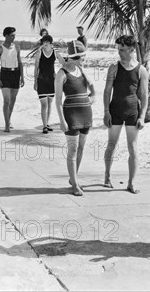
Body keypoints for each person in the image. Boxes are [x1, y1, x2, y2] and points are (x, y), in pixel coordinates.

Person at [103, 35, 149, 193]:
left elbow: (144, 95)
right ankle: (107, 176)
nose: (119, 53)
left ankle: (131, 183)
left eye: (122, 50)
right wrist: (106, 112)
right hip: (115, 109)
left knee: (133, 148)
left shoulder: (141, 70)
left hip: (132, 112)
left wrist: (142, 116)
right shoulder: (113, 68)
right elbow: (107, 91)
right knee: (111, 145)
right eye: (118, 49)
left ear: (131, 49)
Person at [55, 40, 95, 196]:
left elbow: (92, 86)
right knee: (72, 150)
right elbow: (58, 100)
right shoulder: (61, 73)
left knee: (81, 148)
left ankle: (74, 179)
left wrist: (93, 97)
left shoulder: (81, 69)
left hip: (86, 112)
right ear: (73, 57)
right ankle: (75, 185)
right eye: (81, 57)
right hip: (71, 115)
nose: (83, 60)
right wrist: (61, 120)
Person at [0, 27, 25, 132]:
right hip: (5, 74)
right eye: (12, 35)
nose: (14, 37)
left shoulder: (17, 47)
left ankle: (9, 119)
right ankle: (7, 125)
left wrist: (22, 77)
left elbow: (20, 62)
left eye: (14, 35)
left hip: (15, 74)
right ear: (6, 35)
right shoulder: (0, 48)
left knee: (13, 101)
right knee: (6, 101)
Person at [34, 34, 66, 133]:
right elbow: (36, 67)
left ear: (51, 44)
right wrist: (35, 82)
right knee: (44, 105)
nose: (46, 44)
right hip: (42, 80)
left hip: (52, 82)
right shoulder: (39, 53)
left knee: (50, 104)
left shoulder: (55, 53)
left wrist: (59, 74)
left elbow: (64, 63)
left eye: (48, 42)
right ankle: (44, 126)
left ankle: (46, 124)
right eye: (44, 42)